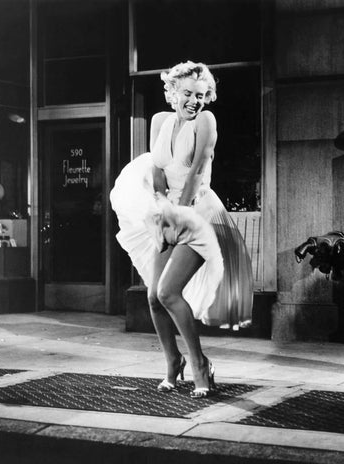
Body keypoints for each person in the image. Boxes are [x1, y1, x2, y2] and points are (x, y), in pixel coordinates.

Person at [110, 61, 253, 398]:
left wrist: (178, 214)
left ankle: (200, 364)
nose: (194, 101)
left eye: (202, 95)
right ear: (172, 92)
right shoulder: (160, 121)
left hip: (199, 214)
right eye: (187, 93)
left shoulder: (206, 120)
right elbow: (157, 170)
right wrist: (161, 208)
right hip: (169, 211)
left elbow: (196, 174)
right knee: (153, 296)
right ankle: (173, 362)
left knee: (169, 292)